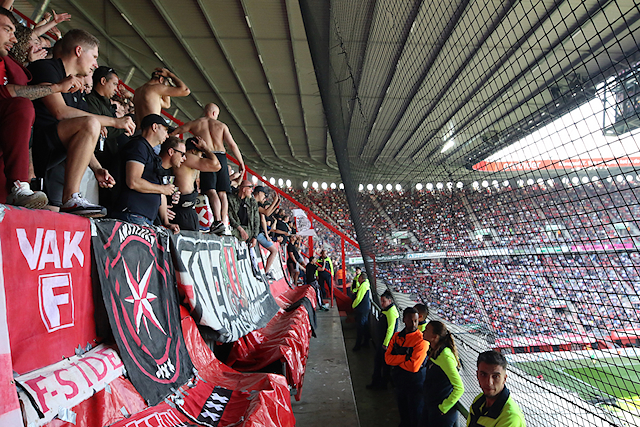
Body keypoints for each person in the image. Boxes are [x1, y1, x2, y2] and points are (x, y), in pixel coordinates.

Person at [28, 28, 135, 215]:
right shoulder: (46, 68)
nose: (95, 64)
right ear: (78, 51)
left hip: (57, 155)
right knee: (91, 122)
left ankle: (71, 198)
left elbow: (84, 132)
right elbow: (60, 111)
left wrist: (97, 168)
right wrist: (114, 122)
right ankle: (71, 197)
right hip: (34, 145)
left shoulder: (76, 87)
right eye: (94, 56)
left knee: (90, 123)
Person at [0, 8, 83, 208]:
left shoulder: (12, 65)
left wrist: (28, 170)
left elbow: (23, 121)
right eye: (7, 30)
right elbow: (7, 94)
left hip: (9, 150)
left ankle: (21, 185)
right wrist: (56, 88)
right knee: (22, 105)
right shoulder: (41, 68)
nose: (13, 38)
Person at [170, 103, 244, 236]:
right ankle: (223, 222)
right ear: (215, 113)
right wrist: (241, 162)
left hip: (207, 155)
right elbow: (232, 145)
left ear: (205, 111)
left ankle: (217, 221)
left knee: (211, 191)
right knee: (223, 193)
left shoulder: (196, 123)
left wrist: (170, 138)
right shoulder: (222, 126)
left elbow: (178, 130)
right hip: (221, 156)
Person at [112, 114, 179, 232]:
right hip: (132, 214)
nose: (167, 135)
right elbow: (133, 181)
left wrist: (166, 222)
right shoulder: (138, 146)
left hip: (143, 217)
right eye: (165, 130)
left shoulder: (149, 151)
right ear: (155, 127)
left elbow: (159, 190)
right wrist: (162, 189)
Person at [86, 66, 127, 213]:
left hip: (110, 162)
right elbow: (105, 131)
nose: (116, 89)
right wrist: (120, 126)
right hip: (95, 161)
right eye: (114, 84)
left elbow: (108, 129)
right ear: (103, 81)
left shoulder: (108, 104)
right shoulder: (91, 100)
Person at [385, 307, 429, 427]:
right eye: (410, 321)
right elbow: (388, 359)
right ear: (404, 320)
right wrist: (406, 357)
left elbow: (414, 367)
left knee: (415, 414)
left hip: (416, 385)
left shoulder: (422, 340)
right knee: (403, 410)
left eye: (416, 321)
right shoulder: (396, 336)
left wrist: (397, 360)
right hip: (400, 382)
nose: (414, 324)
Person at [171, 136, 220, 231]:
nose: (201, 158)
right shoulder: (187, 157)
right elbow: (216, 165)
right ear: (193, 151)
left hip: (185, 207)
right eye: (200, 155)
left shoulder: (183, 160)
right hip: (182, 208)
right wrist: (206, 148)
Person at [422, 320, 464, 427]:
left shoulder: (445, 356)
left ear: (435, 337)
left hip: (441, 412)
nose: (423, 331)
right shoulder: (434, 350)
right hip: (431, 404)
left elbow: (459, 388)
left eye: (427, 330)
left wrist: (442, 408)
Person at [468, 351, 526, 427]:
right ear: (477, 375)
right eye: (483, 374)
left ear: (504, 379)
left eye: (495, 376)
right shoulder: (478, 400)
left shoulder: (510, 416)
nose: (489, 383)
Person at [367, 290, 399, 390]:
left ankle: (383, 385)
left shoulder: (392, 312)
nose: (382, 303)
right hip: (381, 342)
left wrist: (386, 344)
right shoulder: (386, 310)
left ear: (390, 301)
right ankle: (376, 381)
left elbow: (390, 329)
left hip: (386, 344)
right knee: (378, 363)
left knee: (384, 365)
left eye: (384, 301)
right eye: (381, 301)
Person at [254, 185, 279, 278]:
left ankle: (266, 271)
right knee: (274, 250)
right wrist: (274, 202)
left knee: (274, 251)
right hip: (257, 233)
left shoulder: (257, 204)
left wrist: (276, 203)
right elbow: (266, 213)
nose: (264, 197)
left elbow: (265, 217)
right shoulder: (255, 204)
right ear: (259, 193)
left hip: (259, 233)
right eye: (264, 195)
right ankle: (265, 272)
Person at [228, 179, 260, 246]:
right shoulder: (231, 199)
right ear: (244, 189)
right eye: (250, 188)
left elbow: (256, 219)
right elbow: (230, 216)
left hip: (248, 231)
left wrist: (255, 237)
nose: (252, 191)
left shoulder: (252, 201)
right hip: (235, 228)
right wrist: (240, 229)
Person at [351, 271, 371, 351]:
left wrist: (353, 305)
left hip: (362, 309)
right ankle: (366, 342)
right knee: (365, 326)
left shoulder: (363, 286)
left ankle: (358, 346)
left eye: (359, 278)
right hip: (366, 308)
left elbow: (359, 298)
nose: (358, 279)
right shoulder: (366, 284)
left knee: (360, 327)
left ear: (361, 278)